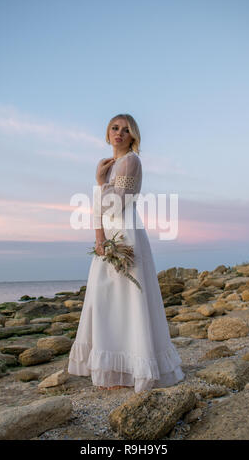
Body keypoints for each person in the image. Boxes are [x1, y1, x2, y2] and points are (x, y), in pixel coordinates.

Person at [67, 113, 185, 392]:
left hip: (125, 235)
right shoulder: (108, 165)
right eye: (114, 128)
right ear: (107, 133)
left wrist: (98, 183)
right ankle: (112, 368)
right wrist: (98, 238)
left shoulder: (130, 161)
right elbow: (99, 210)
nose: (119, 133)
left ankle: (135, 367)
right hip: (109, 235)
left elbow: (116, 203)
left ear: (134, 136)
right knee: (105, 297)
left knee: (127, 298)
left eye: (126, 129)